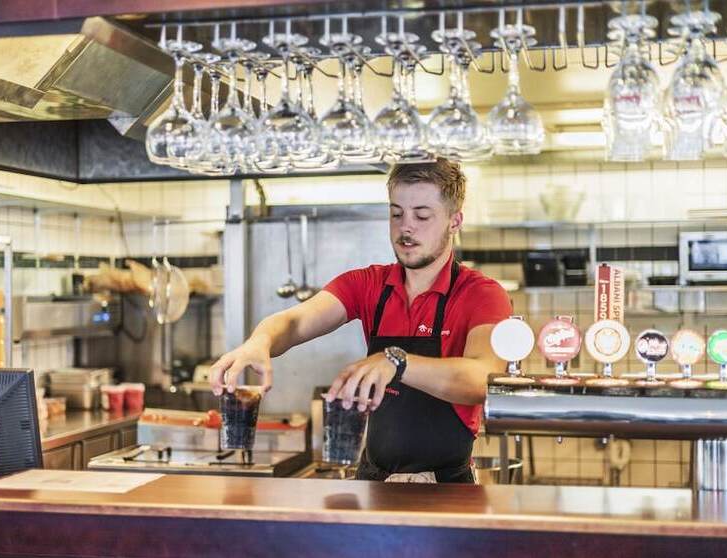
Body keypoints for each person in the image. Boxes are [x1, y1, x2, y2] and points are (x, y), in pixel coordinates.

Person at [210, 158, 511, 483]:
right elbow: (295, 322)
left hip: (447, 489)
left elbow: (483, 379)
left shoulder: (481, 294)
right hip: (372, 483)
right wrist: (259, 341)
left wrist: (397, 362)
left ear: (455, 221)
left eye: (422, 216)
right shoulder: (369, 285)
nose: (406, 227)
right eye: (396, 214)